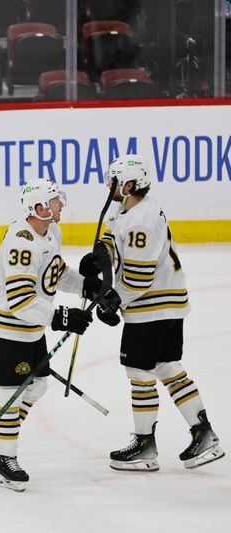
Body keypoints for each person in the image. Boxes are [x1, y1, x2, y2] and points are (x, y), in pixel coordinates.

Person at [93, 154, 225, 471]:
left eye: (113, 181)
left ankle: (144, 445)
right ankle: (204, 434)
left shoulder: (142, 220)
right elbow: (112, 234)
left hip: (152, 306)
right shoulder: (132, 206)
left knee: (139, 372)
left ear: (128, 185)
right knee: (167, 367)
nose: (108, 185)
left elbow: (139, 277)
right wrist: (103, 254)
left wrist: (114, 298)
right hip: (167, 302)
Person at [0, 179, 95, 492]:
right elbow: (21, 300)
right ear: (39, 208)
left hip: (29, 325)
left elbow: (55, 272)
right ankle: (4, 458)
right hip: (6, 325)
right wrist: (63, 317)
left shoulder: (52, 232)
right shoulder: (21, 241)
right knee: (12, 388)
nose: (61, 204)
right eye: (55, 201)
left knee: (36, 385)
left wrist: (87, 287)